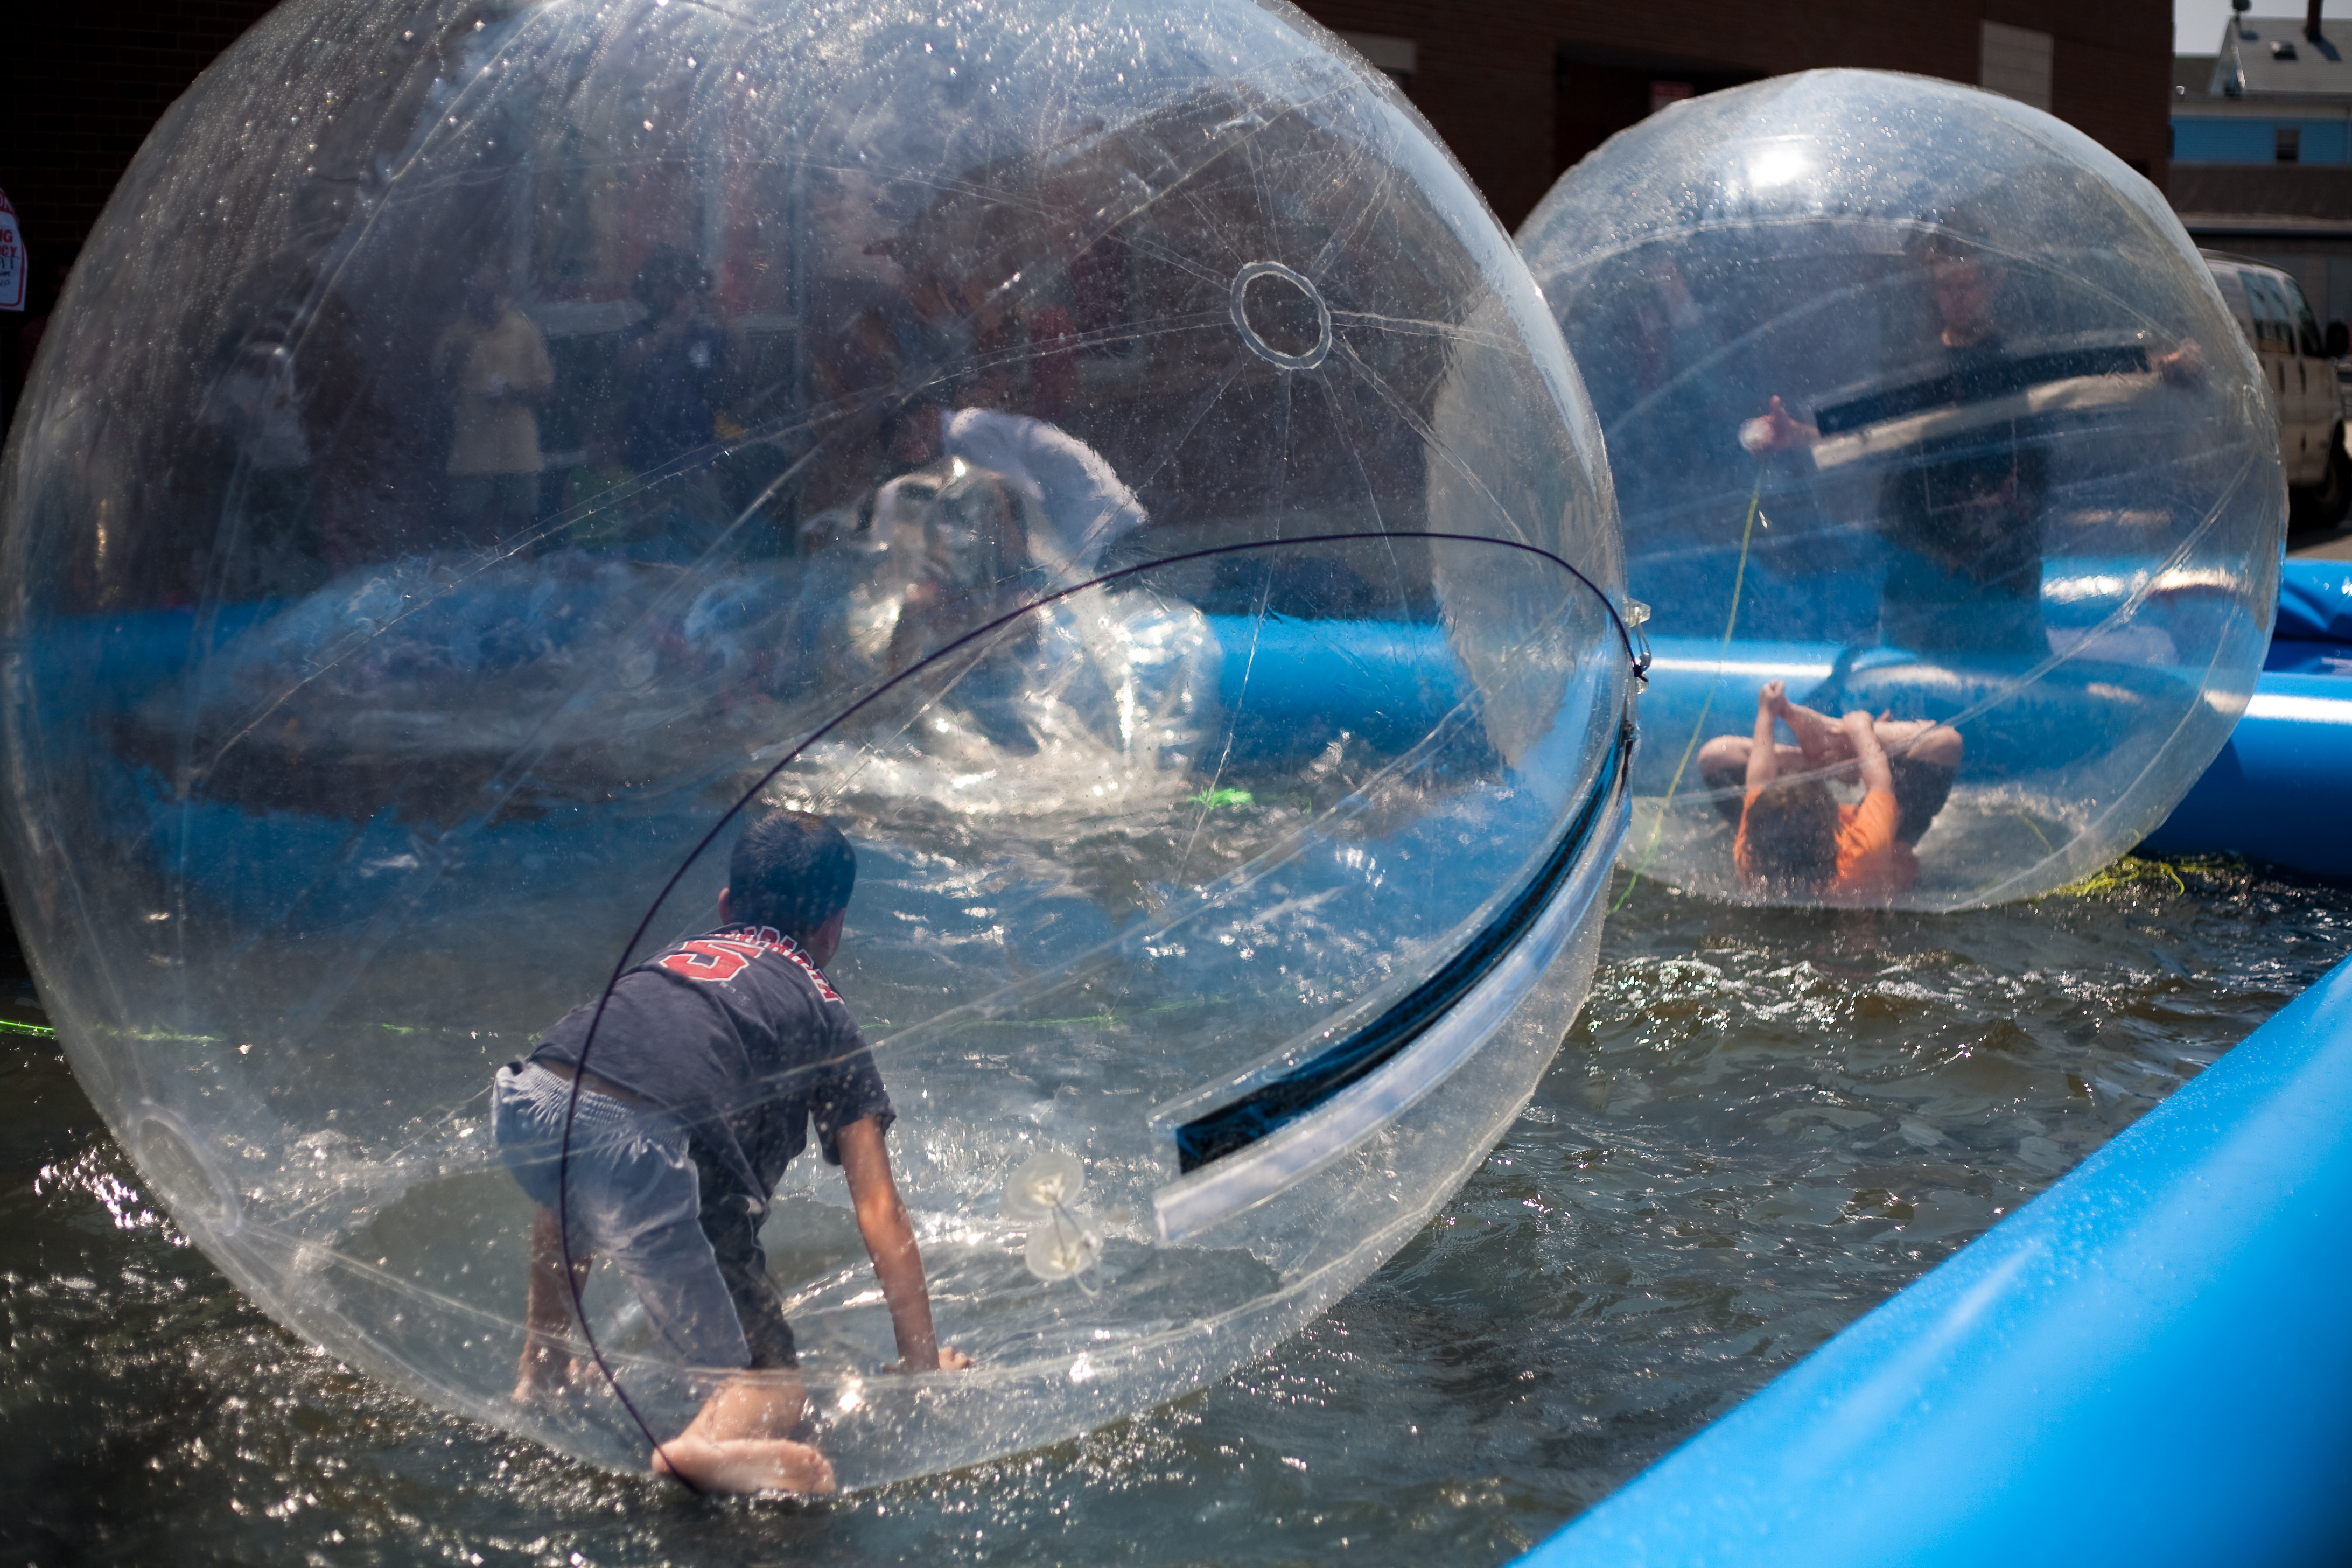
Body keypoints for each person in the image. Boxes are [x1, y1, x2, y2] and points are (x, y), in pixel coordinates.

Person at [491, 809, 969, 1494]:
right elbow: (879, 1208)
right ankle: (704, 1446)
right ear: (833, 925)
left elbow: (594, 1123)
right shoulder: (823, 1005)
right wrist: (921, 1368)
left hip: (535, 1094)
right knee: (774, 1383)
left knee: (578, 1165)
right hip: (657, 1141)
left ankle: (539, 1364)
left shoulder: (676, 961)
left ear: (725, 906)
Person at [1697, 681, 1962, 904]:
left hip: (1802, 871)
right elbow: (1880, 783)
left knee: (1715, 756)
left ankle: (1822, 757)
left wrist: (1767, 710)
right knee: (1944, 743)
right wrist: (1860, 731)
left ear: (1754, 825)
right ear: (1834, 820)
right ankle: (1835, 733)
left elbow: (1759, 780)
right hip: (1884, 858)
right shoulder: (1861, 855)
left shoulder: (1753, 855)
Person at [432, 259, 554, 547]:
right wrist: (454, 361)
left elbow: (547, 389)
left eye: (486, 291)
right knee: (473, 532)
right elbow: (437, 394)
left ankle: (525, 583)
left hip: (518, 450)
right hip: (473, 454)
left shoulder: (523, 330)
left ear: (499, 291)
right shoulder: (455, 335)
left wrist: (517, 392)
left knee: (522, 527)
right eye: (474, 290)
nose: (480, 298)